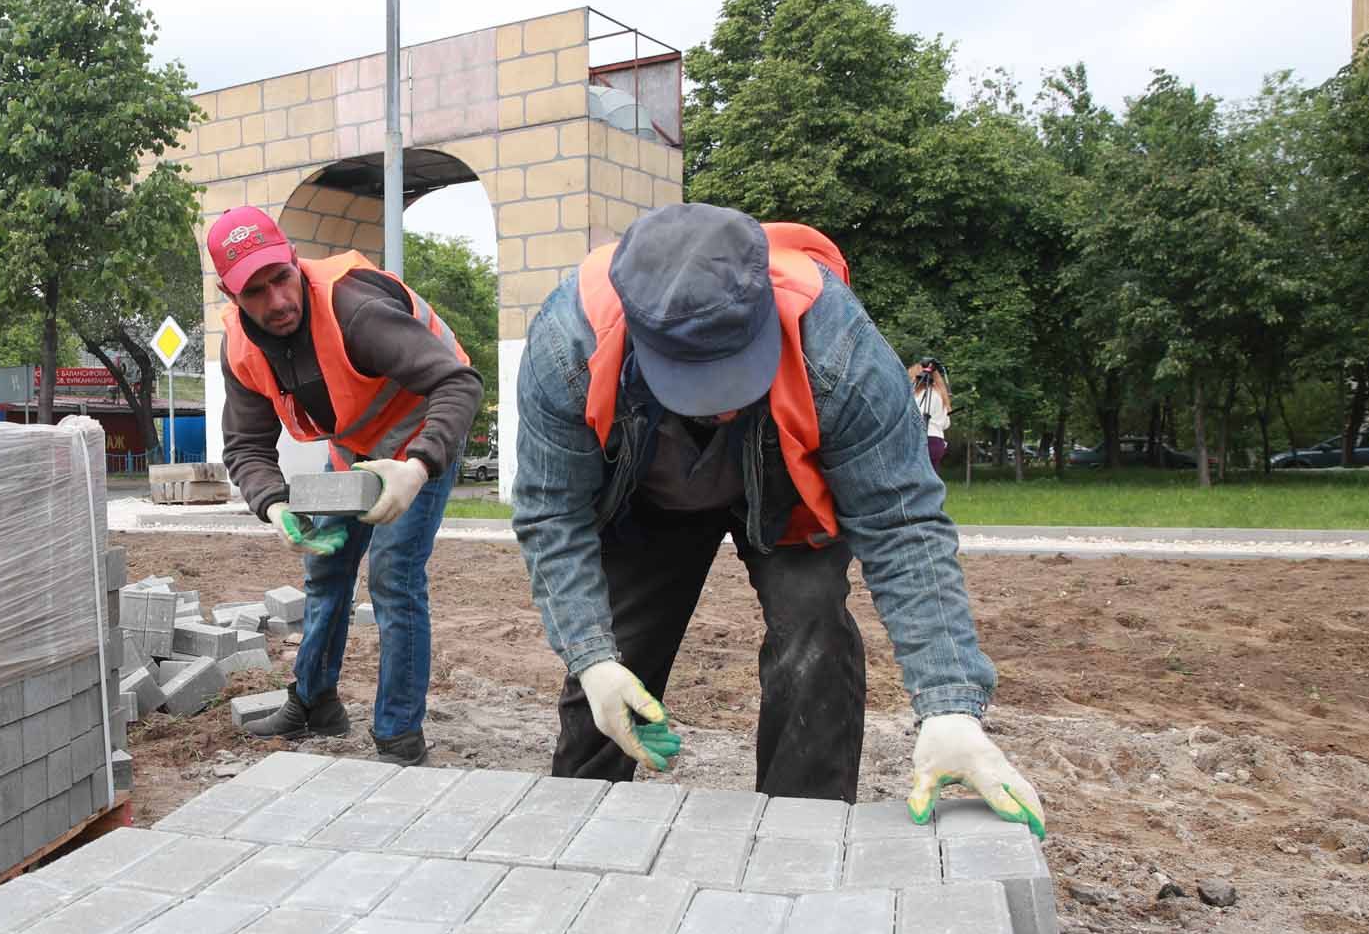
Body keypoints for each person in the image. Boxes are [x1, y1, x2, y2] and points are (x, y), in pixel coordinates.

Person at [511, 204, 1045, 834]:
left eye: (733, 372)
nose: (719, 404)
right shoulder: (567, 344)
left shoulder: (838, 346)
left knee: (815, 629)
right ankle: (573, 839)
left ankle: (803, 834)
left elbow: (902, 522)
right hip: (648, 499)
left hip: (786, 487)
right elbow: (551, 512)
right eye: (693, 381)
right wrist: (591, 658)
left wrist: (950, 706)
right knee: (614, 657)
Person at [212, 206, 482, 764]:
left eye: (281, 278)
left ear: (294, 260)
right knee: (326, 564)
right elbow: (246, 446)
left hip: (422, 431)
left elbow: (459, 384)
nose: (277, 301)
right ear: (230, 294)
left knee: (394, 574)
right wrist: (273, 506)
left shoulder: (354, 308)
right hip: (356, 444)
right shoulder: (239, 348)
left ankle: (399, 735)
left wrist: (418, 467)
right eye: (255, 292)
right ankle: (316, 703)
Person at [908, 358, 952, 466]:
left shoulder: (920, 395)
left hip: (921, 440)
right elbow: (946, 423)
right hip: (938, 441)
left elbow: (914, 417)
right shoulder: (941, 396)